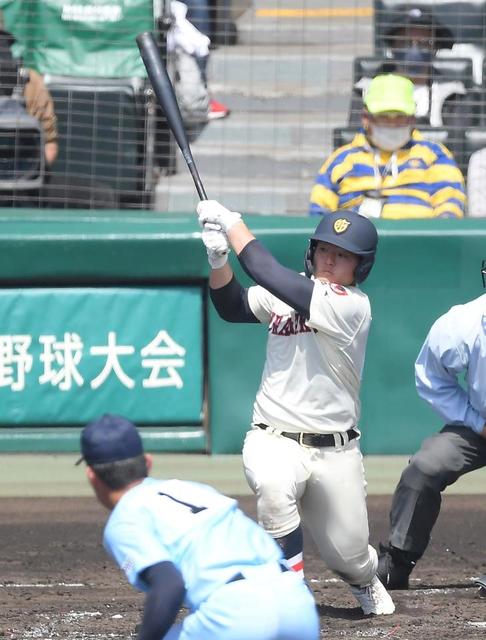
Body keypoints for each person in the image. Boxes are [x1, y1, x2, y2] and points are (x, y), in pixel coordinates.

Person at [197, 199, 395, 616]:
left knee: (349, 556)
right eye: (325, 249)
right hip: (273, 436)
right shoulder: (287, 295)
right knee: (272, 485)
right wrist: (218, 260)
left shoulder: (351, 306)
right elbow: (232, 307)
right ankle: (287, 594)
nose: (331, 259)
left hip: (335, 450)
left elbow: (265, 270)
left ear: (360, 267)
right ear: (312, 250)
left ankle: (364, 578)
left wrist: (235, 224)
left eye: (343, 255)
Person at [78, 413, 319, 640]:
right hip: (297, 605)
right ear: (147, 463)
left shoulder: (124, 519)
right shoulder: (195, 490)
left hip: (235, 616)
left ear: (91, 475)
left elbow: (168, 586)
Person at [377, 259, 486, 590]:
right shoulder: (463, 323)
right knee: (425, 466)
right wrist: (476, 422)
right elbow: (430, 376)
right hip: (480, 426)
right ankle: (398, 559)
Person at [309, 73, 466, 219]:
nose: (392, 124)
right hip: (354, 244)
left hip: (419, 244)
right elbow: (318, 215)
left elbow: (450, 207)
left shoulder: (435, 156)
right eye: (384, 117)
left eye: (400, 117)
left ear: (412, 119)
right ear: (365, 118)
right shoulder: (342, 160)